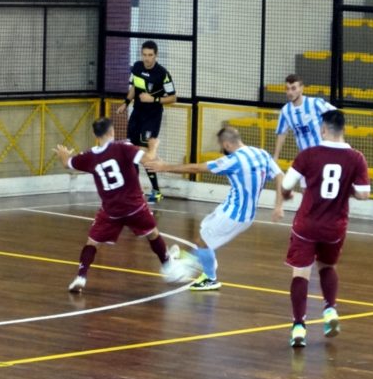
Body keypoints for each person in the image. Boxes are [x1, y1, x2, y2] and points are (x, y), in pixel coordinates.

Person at [145, 126, 285, 291]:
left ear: (226, 144)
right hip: (237, 210)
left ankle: (210, 278)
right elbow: (280, 175)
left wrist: (164, 167)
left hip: (235, 214)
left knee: (202, 241)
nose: (220, 149)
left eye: (221, 146)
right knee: (204, 231)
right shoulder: (261, 154)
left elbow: (196, 168)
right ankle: (202, 259)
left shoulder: (232, 160)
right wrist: (278, 206)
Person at [279, 109, 370, 348]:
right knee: (327, 266)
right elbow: (364, 194)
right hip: (335, 227)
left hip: (307, 224)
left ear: (323, 129)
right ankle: (330, 310)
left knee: (301, 273)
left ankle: (298, 327)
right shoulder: (356, 158)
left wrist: (287, 194)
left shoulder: (309, 154)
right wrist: (345, 189)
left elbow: (286, 185)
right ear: (343, 129)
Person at [53, 117, 172, 293]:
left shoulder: (88, 156)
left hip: (111, 211)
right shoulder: (123, 147)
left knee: (91, 243)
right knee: (153, 234)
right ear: (112, 132)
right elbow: (149, 160)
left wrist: (64, 155)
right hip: (134, 206)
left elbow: (67, 163)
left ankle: (81, 277)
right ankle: (168, 265)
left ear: (94, 134)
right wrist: (153, 146)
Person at [115, 40, 177, 204]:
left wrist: (154, 99)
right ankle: (134, 190)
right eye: (144, 55)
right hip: (137, 114)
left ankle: (156, 191)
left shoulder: (162, 73)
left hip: (152, 117)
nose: (147, 58)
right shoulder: (136, 67)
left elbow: (173, 97)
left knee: (144, 151)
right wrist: (126, 103)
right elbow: (134, 88)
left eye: (150, 55)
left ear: (156, 55)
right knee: (131, 150)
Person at [273, 74, 336, 162]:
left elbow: (336, 115)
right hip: (305, 158)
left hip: (324, 155)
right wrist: (276, 157)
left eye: (293, 88)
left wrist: (330, 135)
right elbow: (281, 134)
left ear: (302, 88)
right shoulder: (285, 111)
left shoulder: (315, 103)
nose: (290, 92)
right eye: (287, 89)